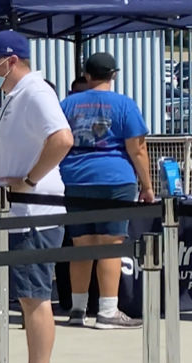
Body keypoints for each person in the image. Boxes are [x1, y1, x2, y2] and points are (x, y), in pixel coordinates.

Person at [0, 31, 73, 363]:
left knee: (35, 299)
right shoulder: (17, 96)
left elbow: (62, 139)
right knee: (30, 299)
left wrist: (29, 180)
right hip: (18, 214)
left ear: (10, 61)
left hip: (33, 214)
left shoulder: (35, 92)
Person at [57, 51, 155, 329]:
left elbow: (59, 140)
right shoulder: (124, 104)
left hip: (75, 179)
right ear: (114, 75)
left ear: (87, 75)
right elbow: (137, 149)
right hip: (115, 180)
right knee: (110, 246)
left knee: (81, 245)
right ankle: (107, 311)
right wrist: (147, 186)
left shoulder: (68, 104)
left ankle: (77, 310)